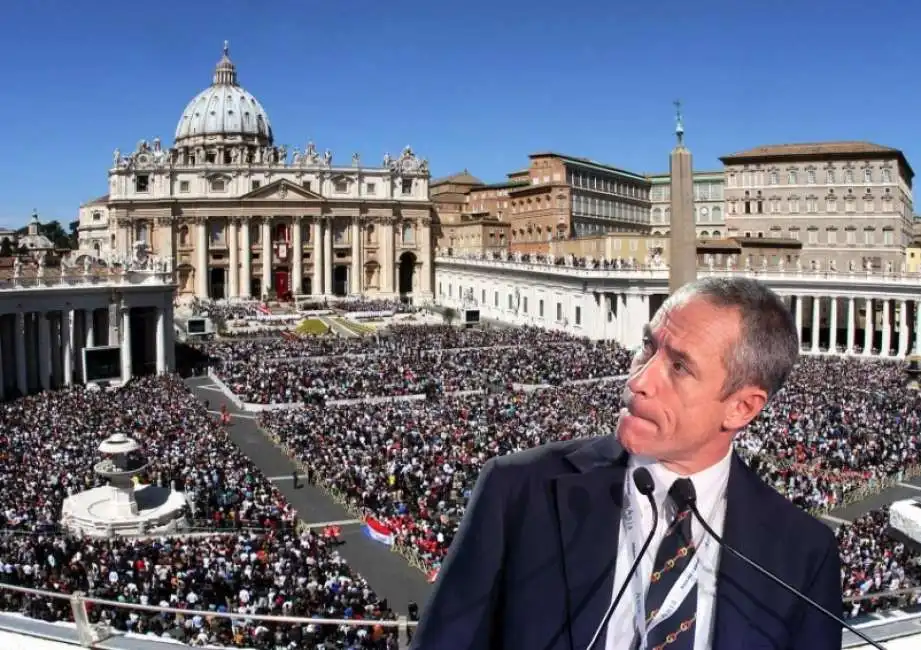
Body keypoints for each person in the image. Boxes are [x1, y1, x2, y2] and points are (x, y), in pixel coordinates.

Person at [411, 277, 843, 650]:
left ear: (741, 408)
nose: (637, 380)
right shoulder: (519, 489)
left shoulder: (803, 554)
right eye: (647, 348)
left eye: (678, 367)